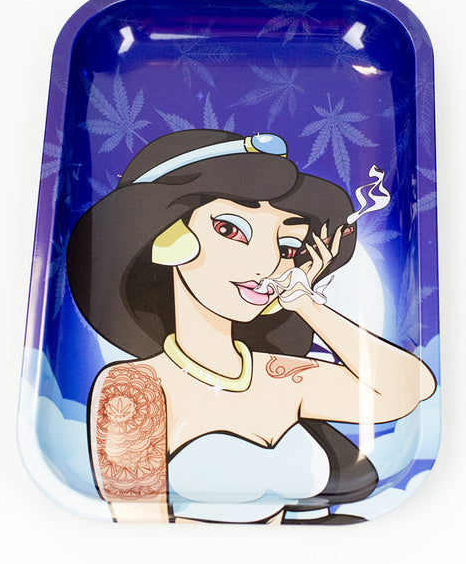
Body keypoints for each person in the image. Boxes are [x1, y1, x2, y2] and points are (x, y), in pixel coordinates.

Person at [67, 129, 436, 524]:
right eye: (231, 230)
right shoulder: (134, 388)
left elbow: (409, 389)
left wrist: (305, 304)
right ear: (170, 239)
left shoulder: (280, 377)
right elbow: (138, 529)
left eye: (288, 247)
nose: (268, 264)